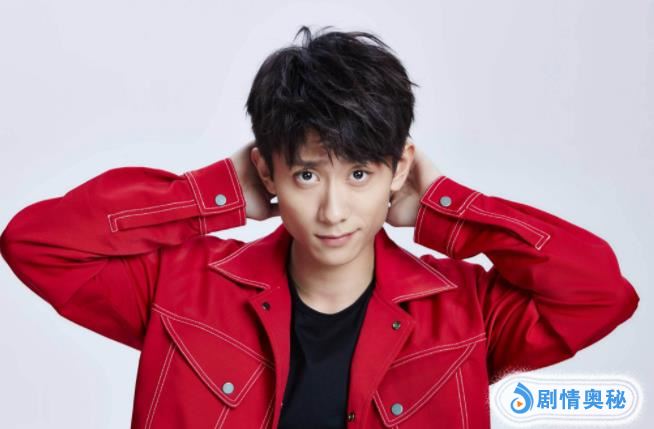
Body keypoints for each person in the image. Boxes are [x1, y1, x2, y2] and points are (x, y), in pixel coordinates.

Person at [0, 26, 639, 429]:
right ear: (267, 172)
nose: (334, 211)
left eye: (359, 174)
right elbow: (35, 245)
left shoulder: (464, 312)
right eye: (307, 175)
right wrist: (214, 195)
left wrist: (447, 210)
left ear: (400, 169)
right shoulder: (183, 290)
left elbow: (601, 296)